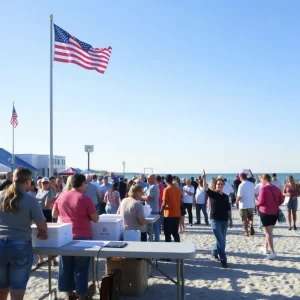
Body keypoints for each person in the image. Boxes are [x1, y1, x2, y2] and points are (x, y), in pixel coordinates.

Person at [0, 167, 48, 300]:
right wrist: (43, 234)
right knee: (17, 290)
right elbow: (42, 225)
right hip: (20, 245)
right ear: (27, 181)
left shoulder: (1, 195)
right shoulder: (30, 199)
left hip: (0, 244)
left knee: (2, 288)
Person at [52, 174, 99, 300]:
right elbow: (95, 219)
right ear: (82, 183)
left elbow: (54, 214)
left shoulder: (61, 196)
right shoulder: (86, 199)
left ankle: (69, 294)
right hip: (82, 236)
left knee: (66, 265)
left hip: (64, 237)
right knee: (81, 267)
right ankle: (81, 295)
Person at [202, 170, 232, 268]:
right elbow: (205, 188)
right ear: (215, 185)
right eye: (218, 184)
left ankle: (214, 251)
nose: (219, 185)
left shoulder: (226, 197)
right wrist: (204, 178)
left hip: (224, 220)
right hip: (215, 220)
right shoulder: (212, 194)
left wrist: (231, 220)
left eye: (221, 184)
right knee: (220, 240)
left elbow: (228, 209)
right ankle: (223, 260)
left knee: (222, 239)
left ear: (224, 185)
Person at [256, 174, 284, 259]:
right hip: (274, 212)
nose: (261, 181)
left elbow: (260, 202)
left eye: (261, 180)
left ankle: (272, 252)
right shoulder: (276, 188)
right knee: (269, 231)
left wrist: (256, 203)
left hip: (265, 212)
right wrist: (274, 205)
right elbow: (281, 200)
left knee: (268, 232)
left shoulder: (263, 188)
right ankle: (265, 248)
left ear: (265, 179)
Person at [160, 174, 182, 243]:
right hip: (177, 213)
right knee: (175, 233)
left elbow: (164, 203)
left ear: (165, 180)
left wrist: (160, 212)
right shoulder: (178, 190)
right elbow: (180, 201)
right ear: (172, 180)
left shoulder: (166, 190)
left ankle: (168, 249)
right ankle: (178, 247)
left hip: (169, 214)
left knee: (167, 234)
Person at [142, 174, 160, 242]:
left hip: (152, 210)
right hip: (151, 209)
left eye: (149, 178)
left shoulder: (153, 187)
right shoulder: (151, 186)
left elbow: (148, 197)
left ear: (153, 179)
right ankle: (152, 241)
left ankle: (155, 242)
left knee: (154, 229)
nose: (147, 179)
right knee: (151, 229)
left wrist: (140, 197)